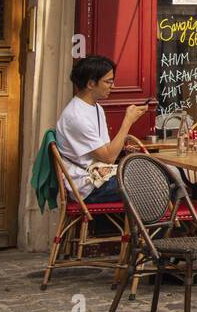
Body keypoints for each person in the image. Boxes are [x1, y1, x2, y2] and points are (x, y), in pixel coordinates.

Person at [54, 56, 149, 203]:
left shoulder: (95, 108)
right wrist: (127, 121)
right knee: (157, 182)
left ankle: (146, 225)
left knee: (163, 175)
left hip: (101, 175)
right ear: (91, 84)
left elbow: (107, 153)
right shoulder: (76, 117)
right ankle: (157, 225)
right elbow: (109, 157)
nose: (113, 86)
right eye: (108, 81)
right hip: (88, 187)